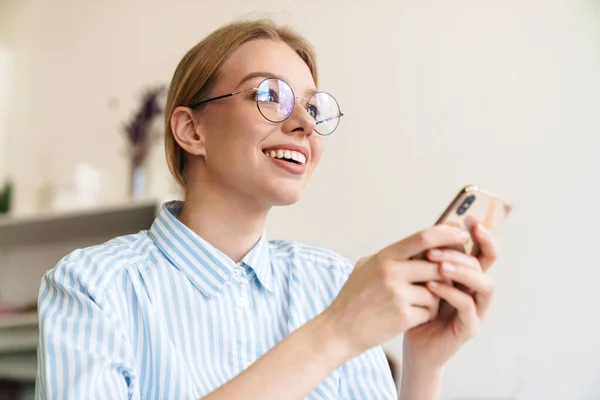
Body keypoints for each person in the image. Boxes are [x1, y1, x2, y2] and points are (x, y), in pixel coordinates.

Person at [35, 18, 499, 400]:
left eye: (313, 109)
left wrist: (423, 369)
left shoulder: (333, 283)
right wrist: (334, 332)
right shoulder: (92, 286)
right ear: (191, 130)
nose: (303, 124)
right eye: (268, 96)